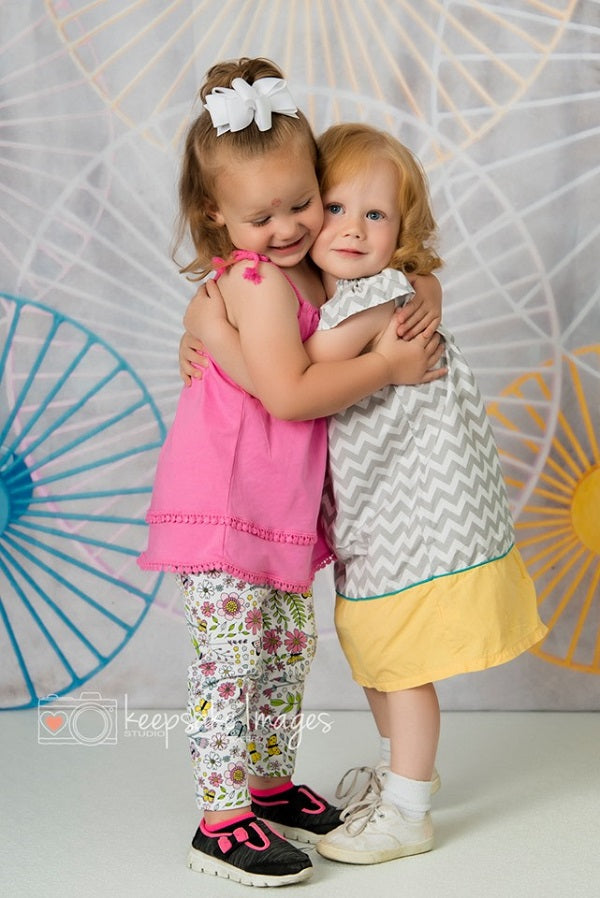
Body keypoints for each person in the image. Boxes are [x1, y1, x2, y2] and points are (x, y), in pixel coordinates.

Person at [183, 122, 548, 868]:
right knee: (291, 659)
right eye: (337, 209)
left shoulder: (356, 294)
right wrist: (206, 326)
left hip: (358, 514)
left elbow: (297, 376)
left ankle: (346, 796)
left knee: (340, 655)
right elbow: (292, 379)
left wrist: (214, 330)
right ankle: (246, 814)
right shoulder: (284, 282)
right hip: (280, 508)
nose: (327, 228)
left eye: (369, 215)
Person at [138, 58, 446, 889]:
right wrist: (387, 368)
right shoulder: (255, 278)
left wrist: (421, 292)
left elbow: (393, 275)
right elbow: (291, 392)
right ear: (215, 214)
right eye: (258, 214)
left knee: (283, 652)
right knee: (230, 660)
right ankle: (220, 816)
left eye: (300, 203)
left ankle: (268, 786)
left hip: (274, 505)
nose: (286, 226)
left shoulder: (304, 269)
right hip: (224, 499)